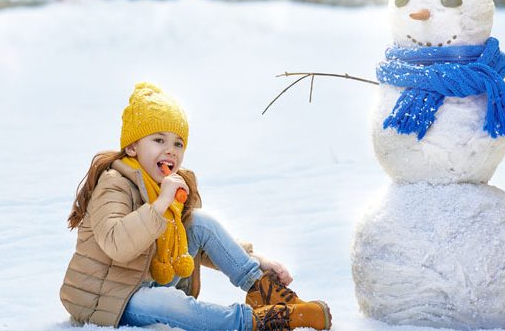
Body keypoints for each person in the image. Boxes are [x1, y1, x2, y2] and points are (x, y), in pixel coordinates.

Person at [60, 82, 332, 330]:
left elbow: (199, 245)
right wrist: (160, 205)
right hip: (108, 299)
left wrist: (257, 260)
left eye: (178, 143)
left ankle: (262, 289)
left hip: (147, 280)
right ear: (132, 148)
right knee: (171, 304)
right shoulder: (114, 183)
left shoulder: (170, 186)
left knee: (199, 222)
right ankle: (259, 322)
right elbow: (116, 244)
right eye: (159, 140)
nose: (171, 150)